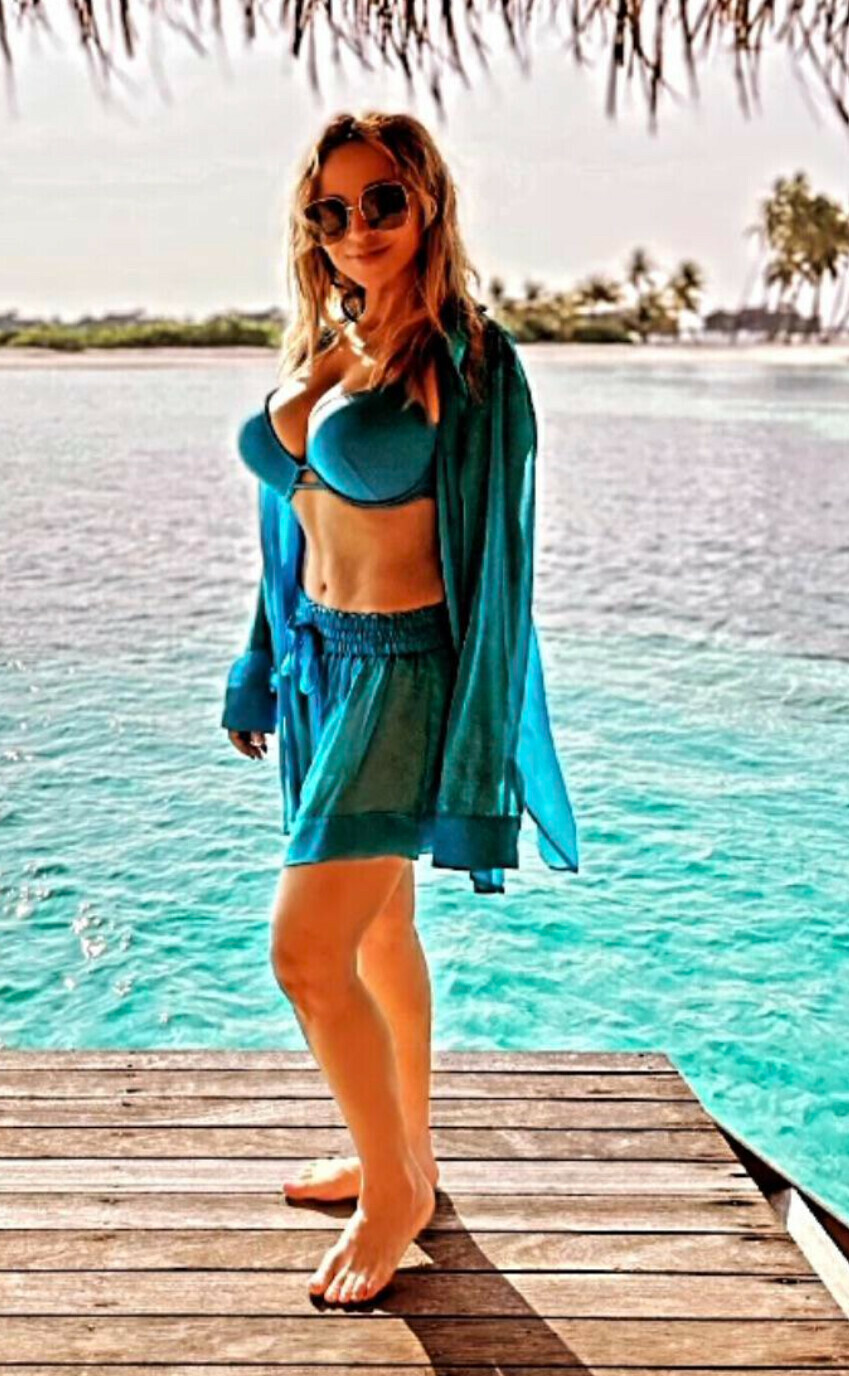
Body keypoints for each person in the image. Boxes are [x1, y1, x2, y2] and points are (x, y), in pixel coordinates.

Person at [221, 110, 580, 1307]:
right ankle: (404, 1153)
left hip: (402, 676)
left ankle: (393, 1195)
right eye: (329, 209)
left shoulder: (467, 362)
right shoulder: (332, 343)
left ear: (426, 202)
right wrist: (256, 662)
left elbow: (497, 565)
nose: (356, 225)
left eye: (381, 200)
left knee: (302, 951)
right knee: (376, 934)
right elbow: (291, 528)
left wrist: (481, 739)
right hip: (320, 670)